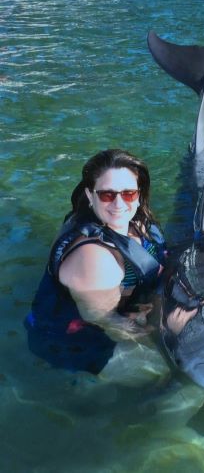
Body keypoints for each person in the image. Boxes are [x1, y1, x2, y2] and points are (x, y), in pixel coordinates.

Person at [24, 149, 167, 377]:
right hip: (76, 339)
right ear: (90, 195)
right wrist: (153, 333)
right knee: (168, 373)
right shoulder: (96, 261)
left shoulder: (134, 223)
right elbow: (106, 321)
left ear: (139, 195)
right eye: (107, 195)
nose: (119, 203)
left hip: (123, 306)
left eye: (128, 193)